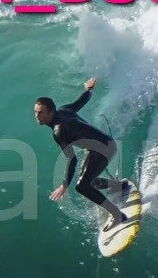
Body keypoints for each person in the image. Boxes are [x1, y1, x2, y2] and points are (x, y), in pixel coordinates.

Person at [36, 79, 131, 226]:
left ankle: (118, 216)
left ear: (50, 112)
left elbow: (72, 159)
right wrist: (89, 89)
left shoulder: (58, 131)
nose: (37, 115)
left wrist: (64, 185)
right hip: (105, 144)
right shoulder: (64, 110)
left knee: (82, 186)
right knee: (89, 181)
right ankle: (119, 186)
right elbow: (81, 101)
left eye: (41, 112)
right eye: (36, 112)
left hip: (103, 149)